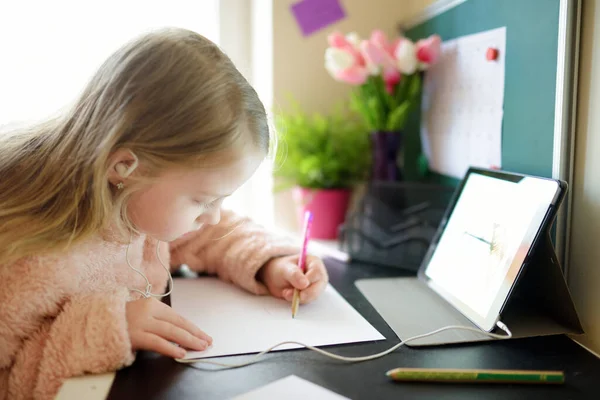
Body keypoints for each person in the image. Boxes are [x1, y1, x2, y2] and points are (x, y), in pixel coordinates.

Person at [0, 28, 329, 399]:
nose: (215, 217)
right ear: (125, 166)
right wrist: (109, 327)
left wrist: (269, 264)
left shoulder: (136, 200)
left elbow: (206, 234)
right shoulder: (31, 256)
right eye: (204, 200)